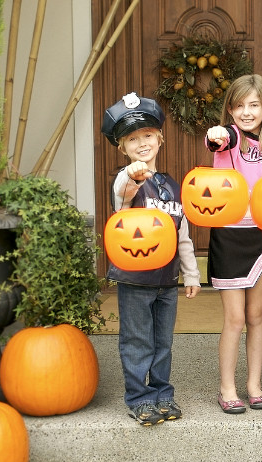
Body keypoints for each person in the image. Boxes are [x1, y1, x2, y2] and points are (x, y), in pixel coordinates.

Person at [101, 92, 201, 425]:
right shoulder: (127, 183)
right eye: (132, 139)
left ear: (160, 138)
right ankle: (138, 398)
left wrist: (190, 274)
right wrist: (132, 173)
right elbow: (122, 188)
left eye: (147, 135)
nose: (142, 143)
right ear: (122, 147)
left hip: (166, 281)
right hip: (135, 280)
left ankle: (162, 394)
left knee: (163, 342)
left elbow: (182, 235)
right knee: (136, 341)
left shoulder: (173, 187)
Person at [204, 74, 262, 414]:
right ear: (230, 111)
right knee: (234, 319)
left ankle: (254, 385)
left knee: (255, 317)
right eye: (239, 106)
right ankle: (227, 388)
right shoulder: (232, 137)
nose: (247, 112)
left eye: (254, 105)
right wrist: (216, 134)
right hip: (230, 237)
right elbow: (216, 139)